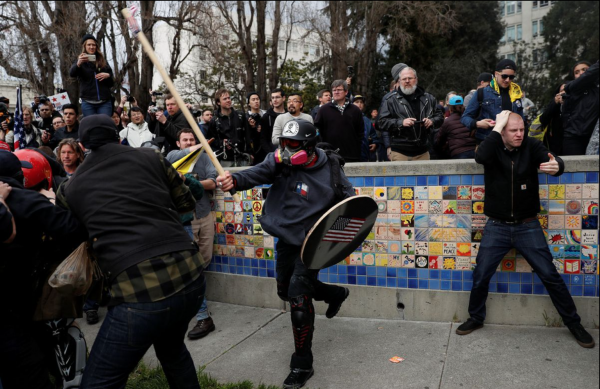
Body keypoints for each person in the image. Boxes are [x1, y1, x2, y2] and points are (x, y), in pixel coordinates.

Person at [57, 114, 206, 388]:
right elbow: (186, 203)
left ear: (81, 146)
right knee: (173, 352)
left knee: (99, 381)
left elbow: (72, 234)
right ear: (118, 136)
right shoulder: (153, 158)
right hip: (191, 275)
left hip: (139, 291)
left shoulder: (70, 188)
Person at [216, 118, 353, 389]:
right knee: (285, 290)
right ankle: (335, 293)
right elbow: (255, 173)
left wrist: (330, 242)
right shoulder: (279, 161)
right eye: (284, 144)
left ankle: (302, 364)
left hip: (312, 243)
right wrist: (233, 180)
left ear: (310, 146)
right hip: (287, 237)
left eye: (294, 145)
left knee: (299, 299)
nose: (288, 151)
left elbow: (350, 209)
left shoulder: (332, 169)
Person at [455, 111, 595, 349]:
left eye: (522, 129)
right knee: (481, 276)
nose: (520, 134)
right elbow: (481, 158)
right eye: (513, 130)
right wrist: (497, 128)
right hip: (496, 226)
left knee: (550, 275)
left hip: (527, 225)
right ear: (502, 130)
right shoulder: (492, 146)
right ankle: (476, 318)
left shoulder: (531, 145)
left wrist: (557, 165)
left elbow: (554, 161)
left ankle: (574, 324)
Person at [0, 150, 85, 389]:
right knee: (28, 367)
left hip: (20, 297)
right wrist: (51, 202)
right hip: (17, 299)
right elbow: (73, 229)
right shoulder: (28, 200)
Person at [166, 129, 218, 340]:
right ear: (179, 143)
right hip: (185, 219)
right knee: (191, 266)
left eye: (192, 139)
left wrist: (188, 180)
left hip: (204, 213)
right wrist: (194, 150)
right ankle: (201, 311)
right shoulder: (172, 157)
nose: (189, 142)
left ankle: (196, 299)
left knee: (204, 259)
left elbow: (212, 182)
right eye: (185, 140)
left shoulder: (205, 157)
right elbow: (169, 165)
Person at [376, 67, 444, 161]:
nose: (407, 81)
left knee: (423, 176)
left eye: (410, 78)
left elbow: (440, 117)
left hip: (423, 151)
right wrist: (401, 123)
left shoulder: (429, 98)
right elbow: (380, 122)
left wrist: (432, 121)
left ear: (416, 79)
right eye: (404, 79)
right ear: (399, 81)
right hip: (400, 152)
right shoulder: (390, 100)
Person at [461, 59, 526, 144]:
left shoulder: (516, 94)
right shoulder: (482, 93)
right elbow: (465, 118)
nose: (507, 80)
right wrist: (478, 124)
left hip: (510, 144)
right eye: (504, 76)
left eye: (511, 77)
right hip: (487, 142)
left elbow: (521, 120)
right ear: (496, 74)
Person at [315, 80, 364, 162]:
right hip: (330, 155)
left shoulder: (355, 110)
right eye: (334, 90)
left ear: (346, 92)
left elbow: (360, 132)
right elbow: (317, 129)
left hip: (352, 155)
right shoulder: (323, 109)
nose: (336, 92)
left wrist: (357, 145)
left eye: (339, 90)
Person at [69, 33, 114, 117]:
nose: (91, 47)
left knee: (105, 125)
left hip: (104, 101)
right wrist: (78, 64)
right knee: (91, 126)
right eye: (89, 45)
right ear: (85, 47)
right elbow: (72, 74)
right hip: (88, 102)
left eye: (93, 45)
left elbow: (112, 82)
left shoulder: (103, 61)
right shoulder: (80, 61)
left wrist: (108, 75)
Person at [561, 60, 599, 155]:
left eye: (584, 69)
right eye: (576, 72)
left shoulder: (597, 89)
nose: (581, 73)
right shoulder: (572, 87)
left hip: (594, 138)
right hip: (573, 139)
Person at [207, 88, 253, 167]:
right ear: (218, 102)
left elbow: (248, 136)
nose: (228, 100)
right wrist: (222, 143)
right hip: (224, 159)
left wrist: (250, 153)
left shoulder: (240, 116)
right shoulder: (214, 120)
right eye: (225, 99)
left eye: (229, 98)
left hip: (242, 158)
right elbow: (210, 140)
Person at [353, 95, 380, 162]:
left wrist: (375, 143)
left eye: (361, 102)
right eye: (357, 102)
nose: (359, 104)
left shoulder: (367, 120)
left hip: (365, 155)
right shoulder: (347, 117)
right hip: (351, 154)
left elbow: (373, 135)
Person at [260, 88, 286, 154]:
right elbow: (263, 139)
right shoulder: (266, 117)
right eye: (273, 98)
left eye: (277, 97)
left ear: (283, 98)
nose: (275, 100)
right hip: (273, 153)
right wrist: (271, 153)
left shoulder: (289, 115)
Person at [246, 92, 266, 164]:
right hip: (254, 150)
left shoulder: (265, 115)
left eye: (257, 99)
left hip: (266, 149)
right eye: (253, 99)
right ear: (249, 103)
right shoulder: (246, 117)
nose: (256, 101)